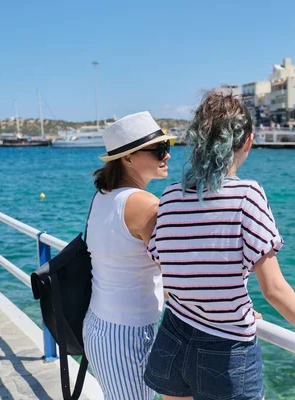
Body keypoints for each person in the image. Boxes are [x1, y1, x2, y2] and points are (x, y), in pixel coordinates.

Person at [144, 92, 295, 400]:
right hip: (224, 351)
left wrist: (223, 304)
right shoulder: (248, 195)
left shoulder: (169, 197)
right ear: (247, 141)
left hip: (171, 338)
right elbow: (273, 290)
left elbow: (170, 266)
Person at [83, 111, 175, 400]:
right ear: (129, 158)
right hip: (129, 333)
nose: (168, 155)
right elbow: (175, 273)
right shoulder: (145, 204)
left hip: (100, 325)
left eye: (168, 146)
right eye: (159, 149)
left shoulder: (103, 197)